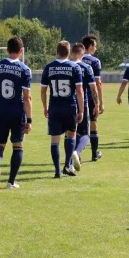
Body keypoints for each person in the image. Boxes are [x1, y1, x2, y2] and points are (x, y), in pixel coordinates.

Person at [0, 36, 32, 192]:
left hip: (0, 111)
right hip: (17, 112)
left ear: (7, 49)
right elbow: (27, 97)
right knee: (17, 146)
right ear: (21, 51)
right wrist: (29, 119)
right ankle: (11, 182)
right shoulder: (24, 69)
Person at [41, 41, 84, 178]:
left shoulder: (49, 67)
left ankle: (57, 171)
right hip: (69, 107)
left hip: (54, 107)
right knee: (71, 135)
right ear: (69, 52)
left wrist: (45, 107)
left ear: (56, 52)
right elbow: (79, 90)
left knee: (55, 140)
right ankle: (67, 165)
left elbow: (43, 90)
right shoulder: (74, 67)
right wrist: (81, 110)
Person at [71, 43, 99, 164]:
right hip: (83, 103)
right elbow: (93, 88)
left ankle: (70, 161)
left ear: (72, 53)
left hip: (68, 103)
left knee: (71, 132)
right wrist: (97, 104)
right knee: (85, 134)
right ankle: (76, 152)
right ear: (83, 53)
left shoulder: (67, 66)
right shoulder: (87, 67)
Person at [81, 34, 103, 161]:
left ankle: (74, 152)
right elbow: (98, 83)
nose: (96, 48)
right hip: (90, 97)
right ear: (89, 47)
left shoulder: (75, 60)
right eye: (95, 46)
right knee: (93, 124)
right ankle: (94, 154)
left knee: (77, 127)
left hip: (76, 98)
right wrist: (100, 102)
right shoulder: (95, 61)